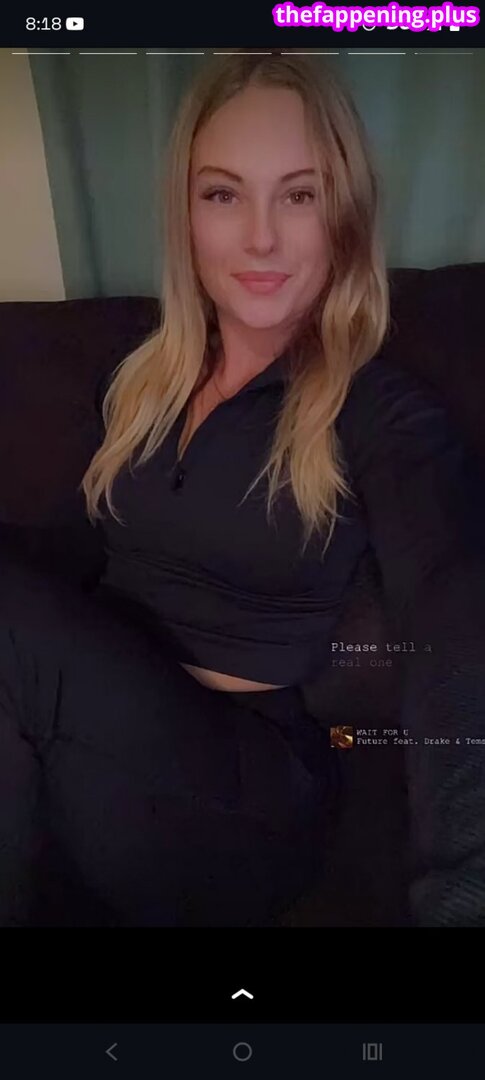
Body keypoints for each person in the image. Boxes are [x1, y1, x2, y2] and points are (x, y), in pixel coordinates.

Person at [1, 53, 485, 928]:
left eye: (299, 195)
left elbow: (456, 626)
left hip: (243, 798)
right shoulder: (139, 384)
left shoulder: (379, 412)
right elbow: (67, 567)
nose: (260, 238)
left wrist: (463, 895)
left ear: (345, 215)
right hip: (94, 757)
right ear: (185, 217)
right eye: (223, 194)